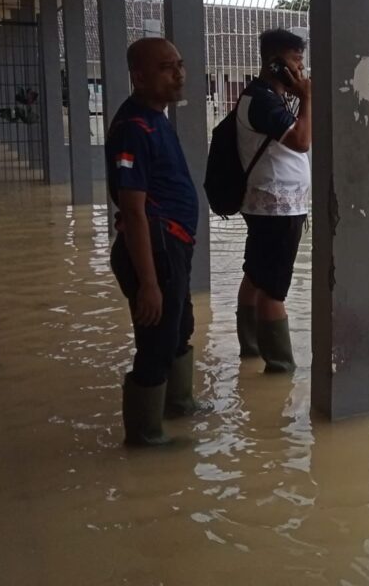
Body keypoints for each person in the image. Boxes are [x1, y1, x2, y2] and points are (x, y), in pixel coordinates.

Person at [106, 37, 208, 447]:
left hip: (172, 246)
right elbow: (132, 210)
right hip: (155, 250)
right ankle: (145, 438)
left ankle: (178, 404)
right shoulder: (134, 128)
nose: (179, 73)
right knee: (156, 341)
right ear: (139, 77)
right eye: (167, 67)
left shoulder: (156, 118)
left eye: (180, 64)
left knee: (180, 326)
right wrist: (148, 283)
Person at [235, 28, 312, 373]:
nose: (300, 69)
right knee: (273, 290)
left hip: (271, 204)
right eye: (295, 60)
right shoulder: (263, 100)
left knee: (255, 275)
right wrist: (307, 98)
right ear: (274, 62)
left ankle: (251, 350)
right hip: (277, 207)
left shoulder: (265, 96)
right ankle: (280, 370)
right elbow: (301, 141)